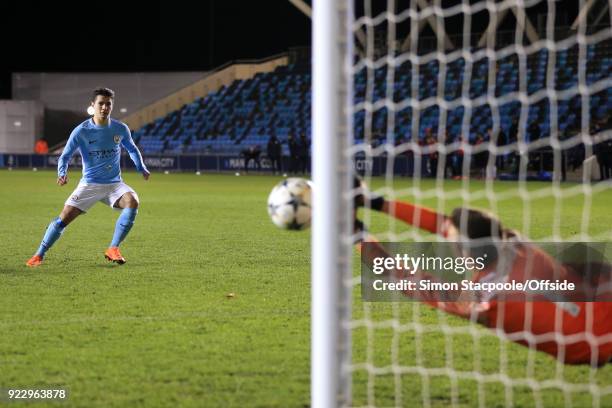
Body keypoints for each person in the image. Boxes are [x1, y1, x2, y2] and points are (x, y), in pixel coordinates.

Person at [354, 178, 612, 365]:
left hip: (599, 346)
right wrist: (373, 201)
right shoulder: (517, 244)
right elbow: (445, 225)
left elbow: (400, 276)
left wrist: (356, 235)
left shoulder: (485, 300)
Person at [26, 88, 150, 267]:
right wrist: (62, 172)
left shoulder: (120, 128)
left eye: (108, 104)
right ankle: (39, 254)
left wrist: (141, 168)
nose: (105, 107)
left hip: (114, 184)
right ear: (93, 105)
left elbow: (132, 149)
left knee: (133, 201)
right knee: (63, 219)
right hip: (90, 185)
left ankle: (113, 248)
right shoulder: (81, 131)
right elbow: (65, 155)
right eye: (101, 103)